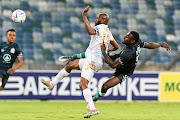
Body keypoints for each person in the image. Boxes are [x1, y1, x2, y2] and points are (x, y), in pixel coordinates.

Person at [40, 6, 119, 118]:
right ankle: (52, 84)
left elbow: (90, 31)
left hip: (92, 61)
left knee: (83, 84)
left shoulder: (100, 27)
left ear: (102, 20)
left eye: (97, 18)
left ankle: (92, 108)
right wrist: (106, 49)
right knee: (70, 65)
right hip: (94, 60)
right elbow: (116, 46)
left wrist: (84, 16)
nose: (96, 19)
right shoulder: (108, 31)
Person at [92, 31, 171, 103]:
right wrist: (161, 44)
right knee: (97, 55)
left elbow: (112, 65)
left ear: (132, 41)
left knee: (105, 86)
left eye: (127, 37)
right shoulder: (137, 42)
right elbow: (149, 45)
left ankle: (94, 100)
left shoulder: (128, 54)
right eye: (126, 35)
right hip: (119, 58)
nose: (124, 37)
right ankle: (81, 58)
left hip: (124, 71)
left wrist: (104, 52)